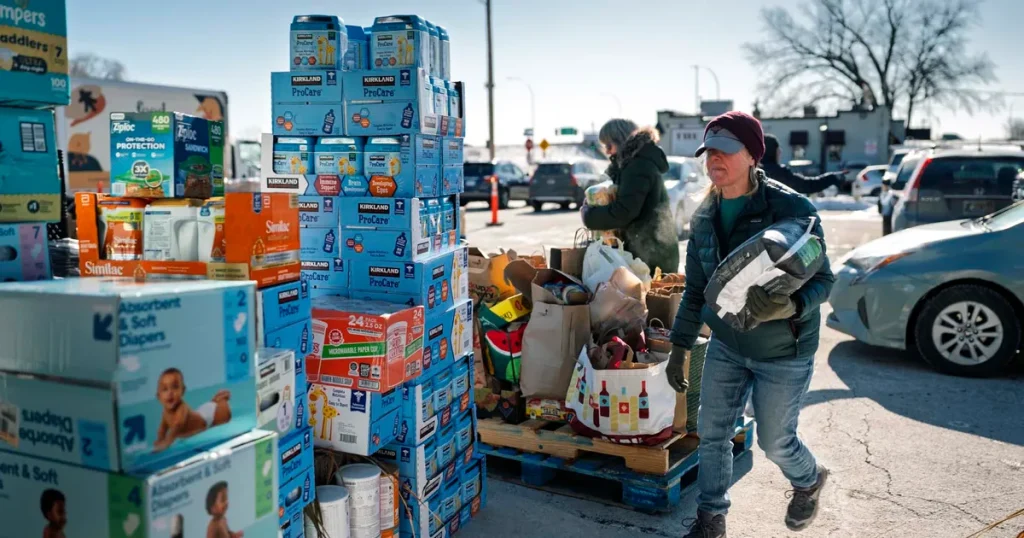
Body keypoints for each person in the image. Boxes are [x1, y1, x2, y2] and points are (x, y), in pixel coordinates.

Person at [668, 111, 834, 537]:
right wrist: (679, 348)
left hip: (783, 350)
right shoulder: (704, 217)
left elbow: (825, 281)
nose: (714, 159)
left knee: (775, 441)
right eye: (709, 151)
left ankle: (809, 478)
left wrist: (790, 306)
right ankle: (711, 520)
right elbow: (695, 290)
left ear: (752, 156)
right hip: (726, 344)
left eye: (726, 150)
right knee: (712, 434)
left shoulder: (791, 208)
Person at [580, 119, 679, 275]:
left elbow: (623, 212)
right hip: (653, 250)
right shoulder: (638, 162)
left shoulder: (638, 166)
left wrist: (588, 215)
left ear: (621, 141)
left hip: (650, 254)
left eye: (609, 146)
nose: (607, 152)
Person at [759, 133, 846, 195]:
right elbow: (807, 185)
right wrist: (831, 177)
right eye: (778, 150)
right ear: (772, 152)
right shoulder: (779, 173)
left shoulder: (755, 172)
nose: (780, 152)